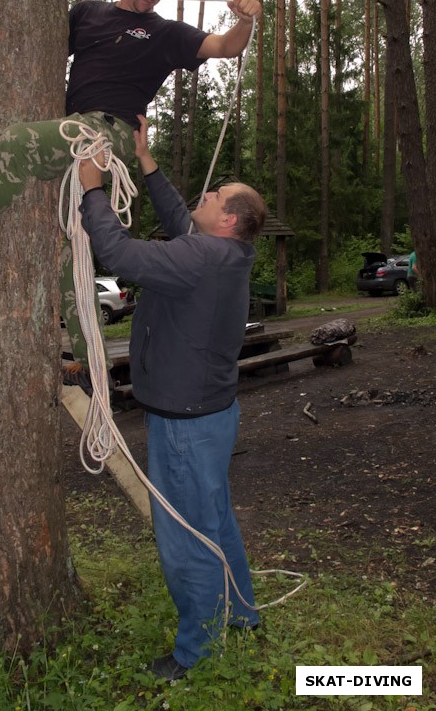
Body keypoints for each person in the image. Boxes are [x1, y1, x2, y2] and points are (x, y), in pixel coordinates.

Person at [0, 0, 262, 373]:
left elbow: (226, 47)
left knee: (15, 142)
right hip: (73, 135)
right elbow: (29, 49)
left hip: (112, 134)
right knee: (75, 257)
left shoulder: (164, 32)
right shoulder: (88, 15)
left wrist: (245, 20)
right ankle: (93, 366)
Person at [78, 115, 266, 681]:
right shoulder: (222, 253)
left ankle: (196, 653)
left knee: (186, 538)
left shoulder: (201, 259)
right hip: (209, 415)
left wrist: (91, 188)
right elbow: (181, 220)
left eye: (214, 195)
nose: (204, 197)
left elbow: (119, 254)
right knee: (214, 519)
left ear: (228, 219)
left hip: (186, 424)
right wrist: (147, 162)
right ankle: (243, 617)